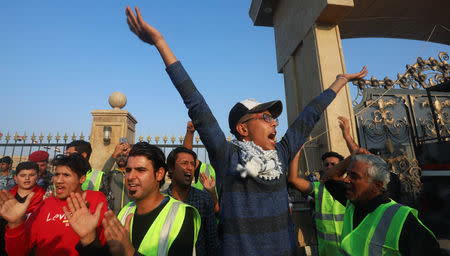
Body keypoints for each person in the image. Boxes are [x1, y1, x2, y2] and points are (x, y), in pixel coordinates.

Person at [125, 6, 368, 255]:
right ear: (243, 129)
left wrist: (340, 81)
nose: (274, 122)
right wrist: (159, 41)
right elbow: (195, 102)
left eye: (274, 118)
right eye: (265, 117)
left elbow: (309, 115)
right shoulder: (227, 156)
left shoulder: (281, 154)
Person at [74, 142, 201, 256]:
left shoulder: (182, 214)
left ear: (159, 174)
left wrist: (130, 253)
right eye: (128, 170)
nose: (130, 177)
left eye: (140, 170)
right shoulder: (126, 211)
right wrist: (89, 239)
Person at [324, 154, 441, 255]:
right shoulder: (354, 200)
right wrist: (352, 156)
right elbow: (329, 179)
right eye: (347, 174)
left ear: (377, 185)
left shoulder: (400, 219)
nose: (346, 180)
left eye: (354, 176)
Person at [1, 153, 108, 256]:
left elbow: (106, 244)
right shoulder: (45, 205)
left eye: (66, 175)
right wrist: (15, 224)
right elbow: (18, 252)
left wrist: (89, 238)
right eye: (57, 174)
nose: (59, 180)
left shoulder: (95, 199)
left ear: (82, 179)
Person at [163, 147, 219, 256]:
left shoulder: (204, 200)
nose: (189, 168)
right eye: (184, 163)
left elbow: (212, 242)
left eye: (192, 164)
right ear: (170, 168)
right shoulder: (161, 200)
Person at [183, 121, 219, 214]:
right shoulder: (205, 169)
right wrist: (190, 133)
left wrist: (212, 193)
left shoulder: (230, 172)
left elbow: (219, 211)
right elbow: (187, 155)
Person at [102, 142, 132, 214]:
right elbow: (102, 175)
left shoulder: (132, 174)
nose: (121, 158)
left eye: (124, 156)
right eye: (118, 156)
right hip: (113, 214)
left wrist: (133, 153)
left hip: (129, 214)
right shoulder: (112, 174)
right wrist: (114, 154)